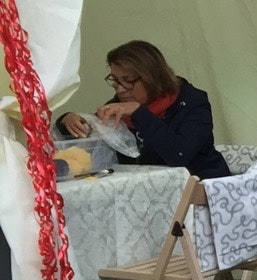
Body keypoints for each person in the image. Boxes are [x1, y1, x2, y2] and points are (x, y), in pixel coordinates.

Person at [58, 40, 231, 181]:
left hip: (201, 192)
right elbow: (89, 137)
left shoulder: (193, 103)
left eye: (127, 81)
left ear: (152, 78)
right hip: (147, 191)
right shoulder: (120, 105)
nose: (120, 89)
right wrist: (68, 121)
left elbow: (179, 155)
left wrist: (139, 113)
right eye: (115, 80)